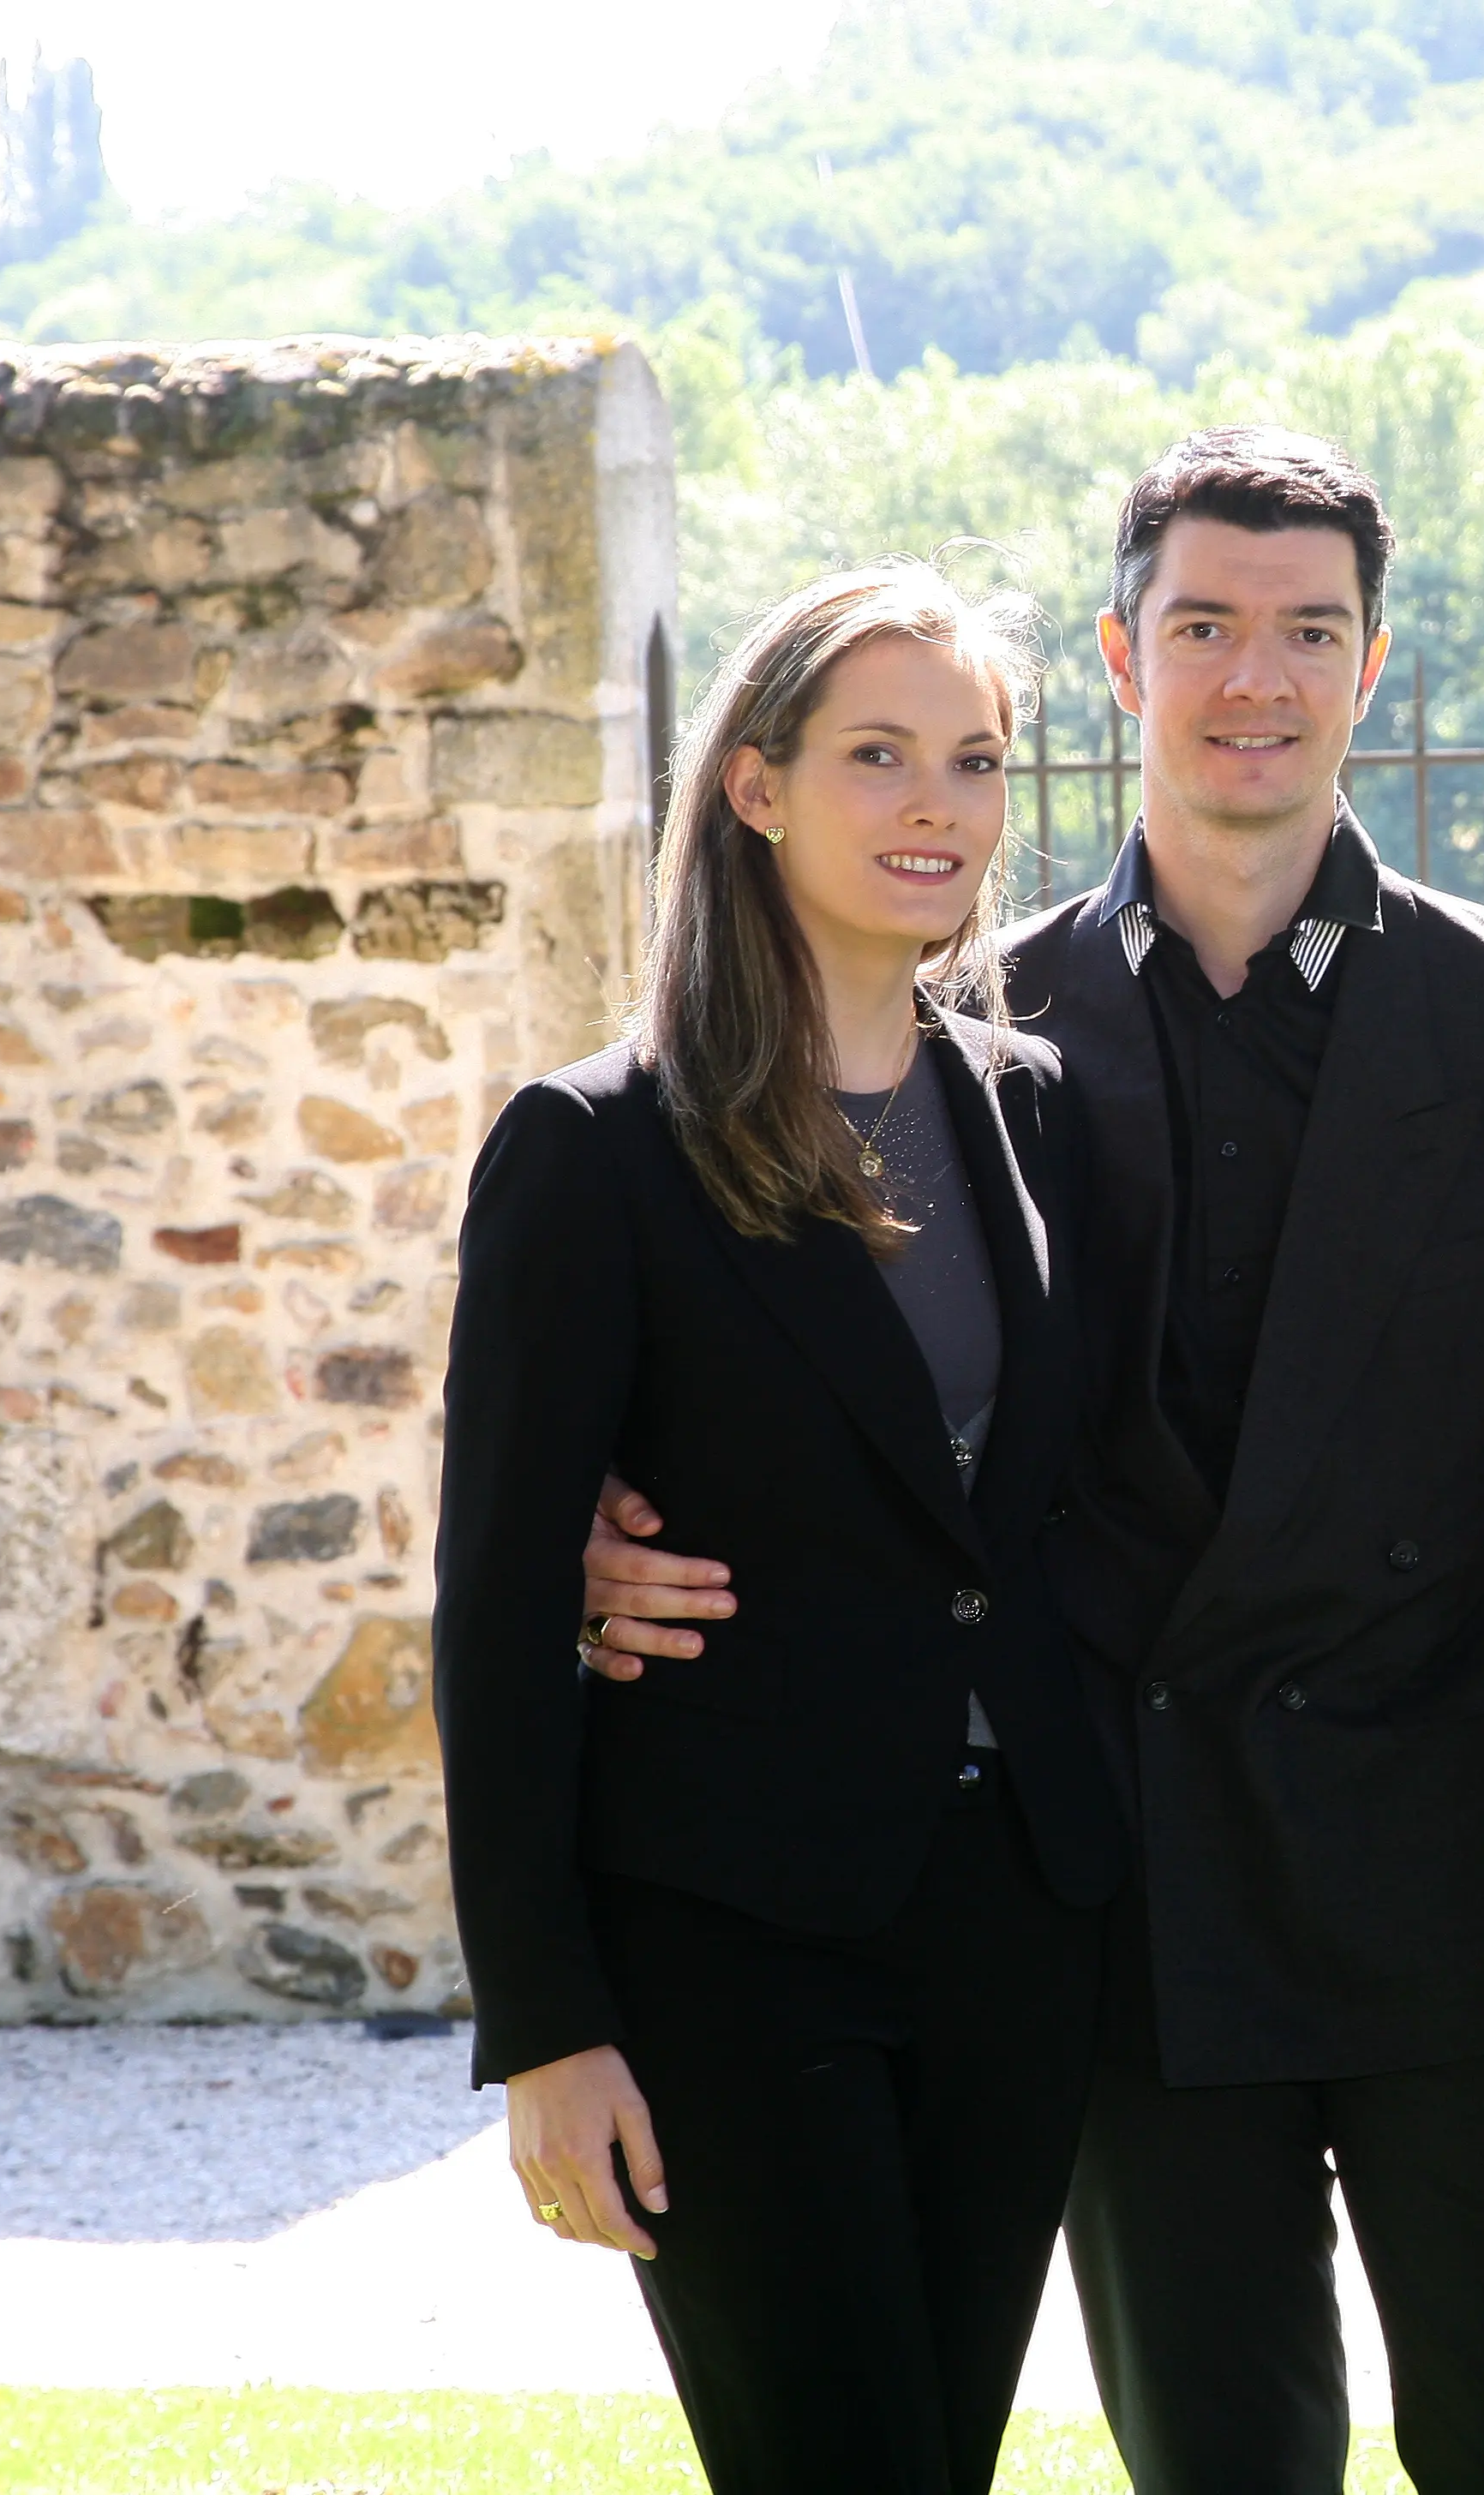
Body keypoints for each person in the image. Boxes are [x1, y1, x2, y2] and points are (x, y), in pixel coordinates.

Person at [578, 430, 1484, 2493]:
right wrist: (580, 1533)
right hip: (1130, 1900)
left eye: (1310, 631)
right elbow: (792, 1393)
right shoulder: (965, 1017)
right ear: (1120, 653)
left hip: (1466, 1895)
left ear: (1374, 663)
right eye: (1206, 626)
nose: (1257, 677)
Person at [433, 561, 1127, 2493]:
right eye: (879, 756)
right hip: (735, 1937)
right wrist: (547, 2026)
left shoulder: (1037, 1107)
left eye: (976, 763)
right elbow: (492, 1608)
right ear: (754, 786)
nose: (938, 809)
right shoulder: (596, 1148)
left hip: (1015, 1925)